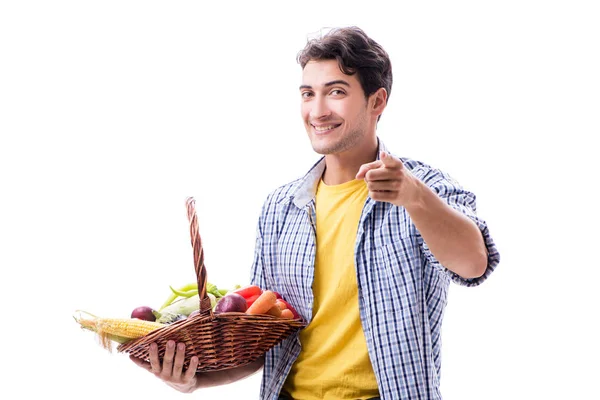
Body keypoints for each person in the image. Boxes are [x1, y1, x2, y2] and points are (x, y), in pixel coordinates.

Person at [130, 26, 500, 399]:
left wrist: (415, 197)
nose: (318, 111)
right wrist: (194, 380)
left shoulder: (423, 186)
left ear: (377, 101)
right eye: (308, 94)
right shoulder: (280, 209)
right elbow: (267, 340)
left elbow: (473, 264)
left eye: (336, 92)